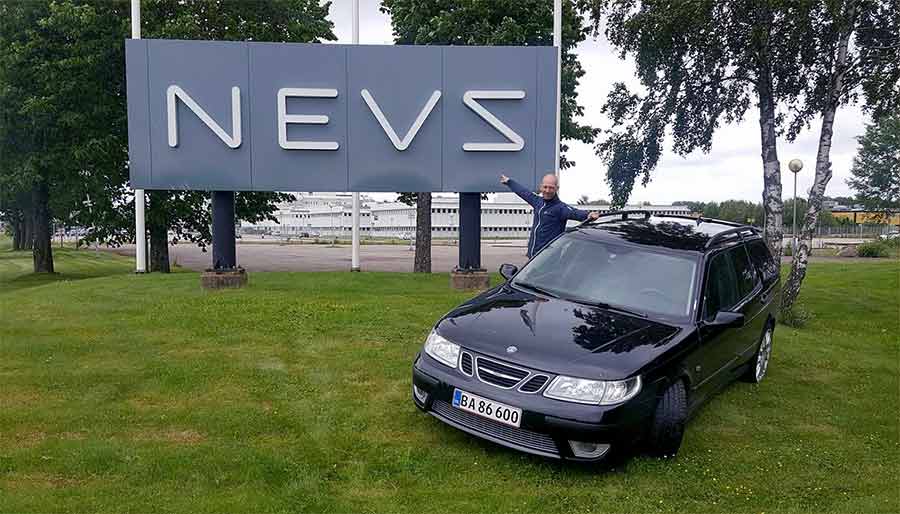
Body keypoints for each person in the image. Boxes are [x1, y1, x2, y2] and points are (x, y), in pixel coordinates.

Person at [501, 173, 600, 257]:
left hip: (548, 259)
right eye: (545, 187)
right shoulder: (537, 202)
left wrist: (588, 215)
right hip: (533, 256)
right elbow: (524, 192)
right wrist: (509, 182)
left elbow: (575, 213)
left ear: (556, 188)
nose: (547, 191)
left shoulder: (560, 208)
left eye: (551, 188)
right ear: (541, 187)